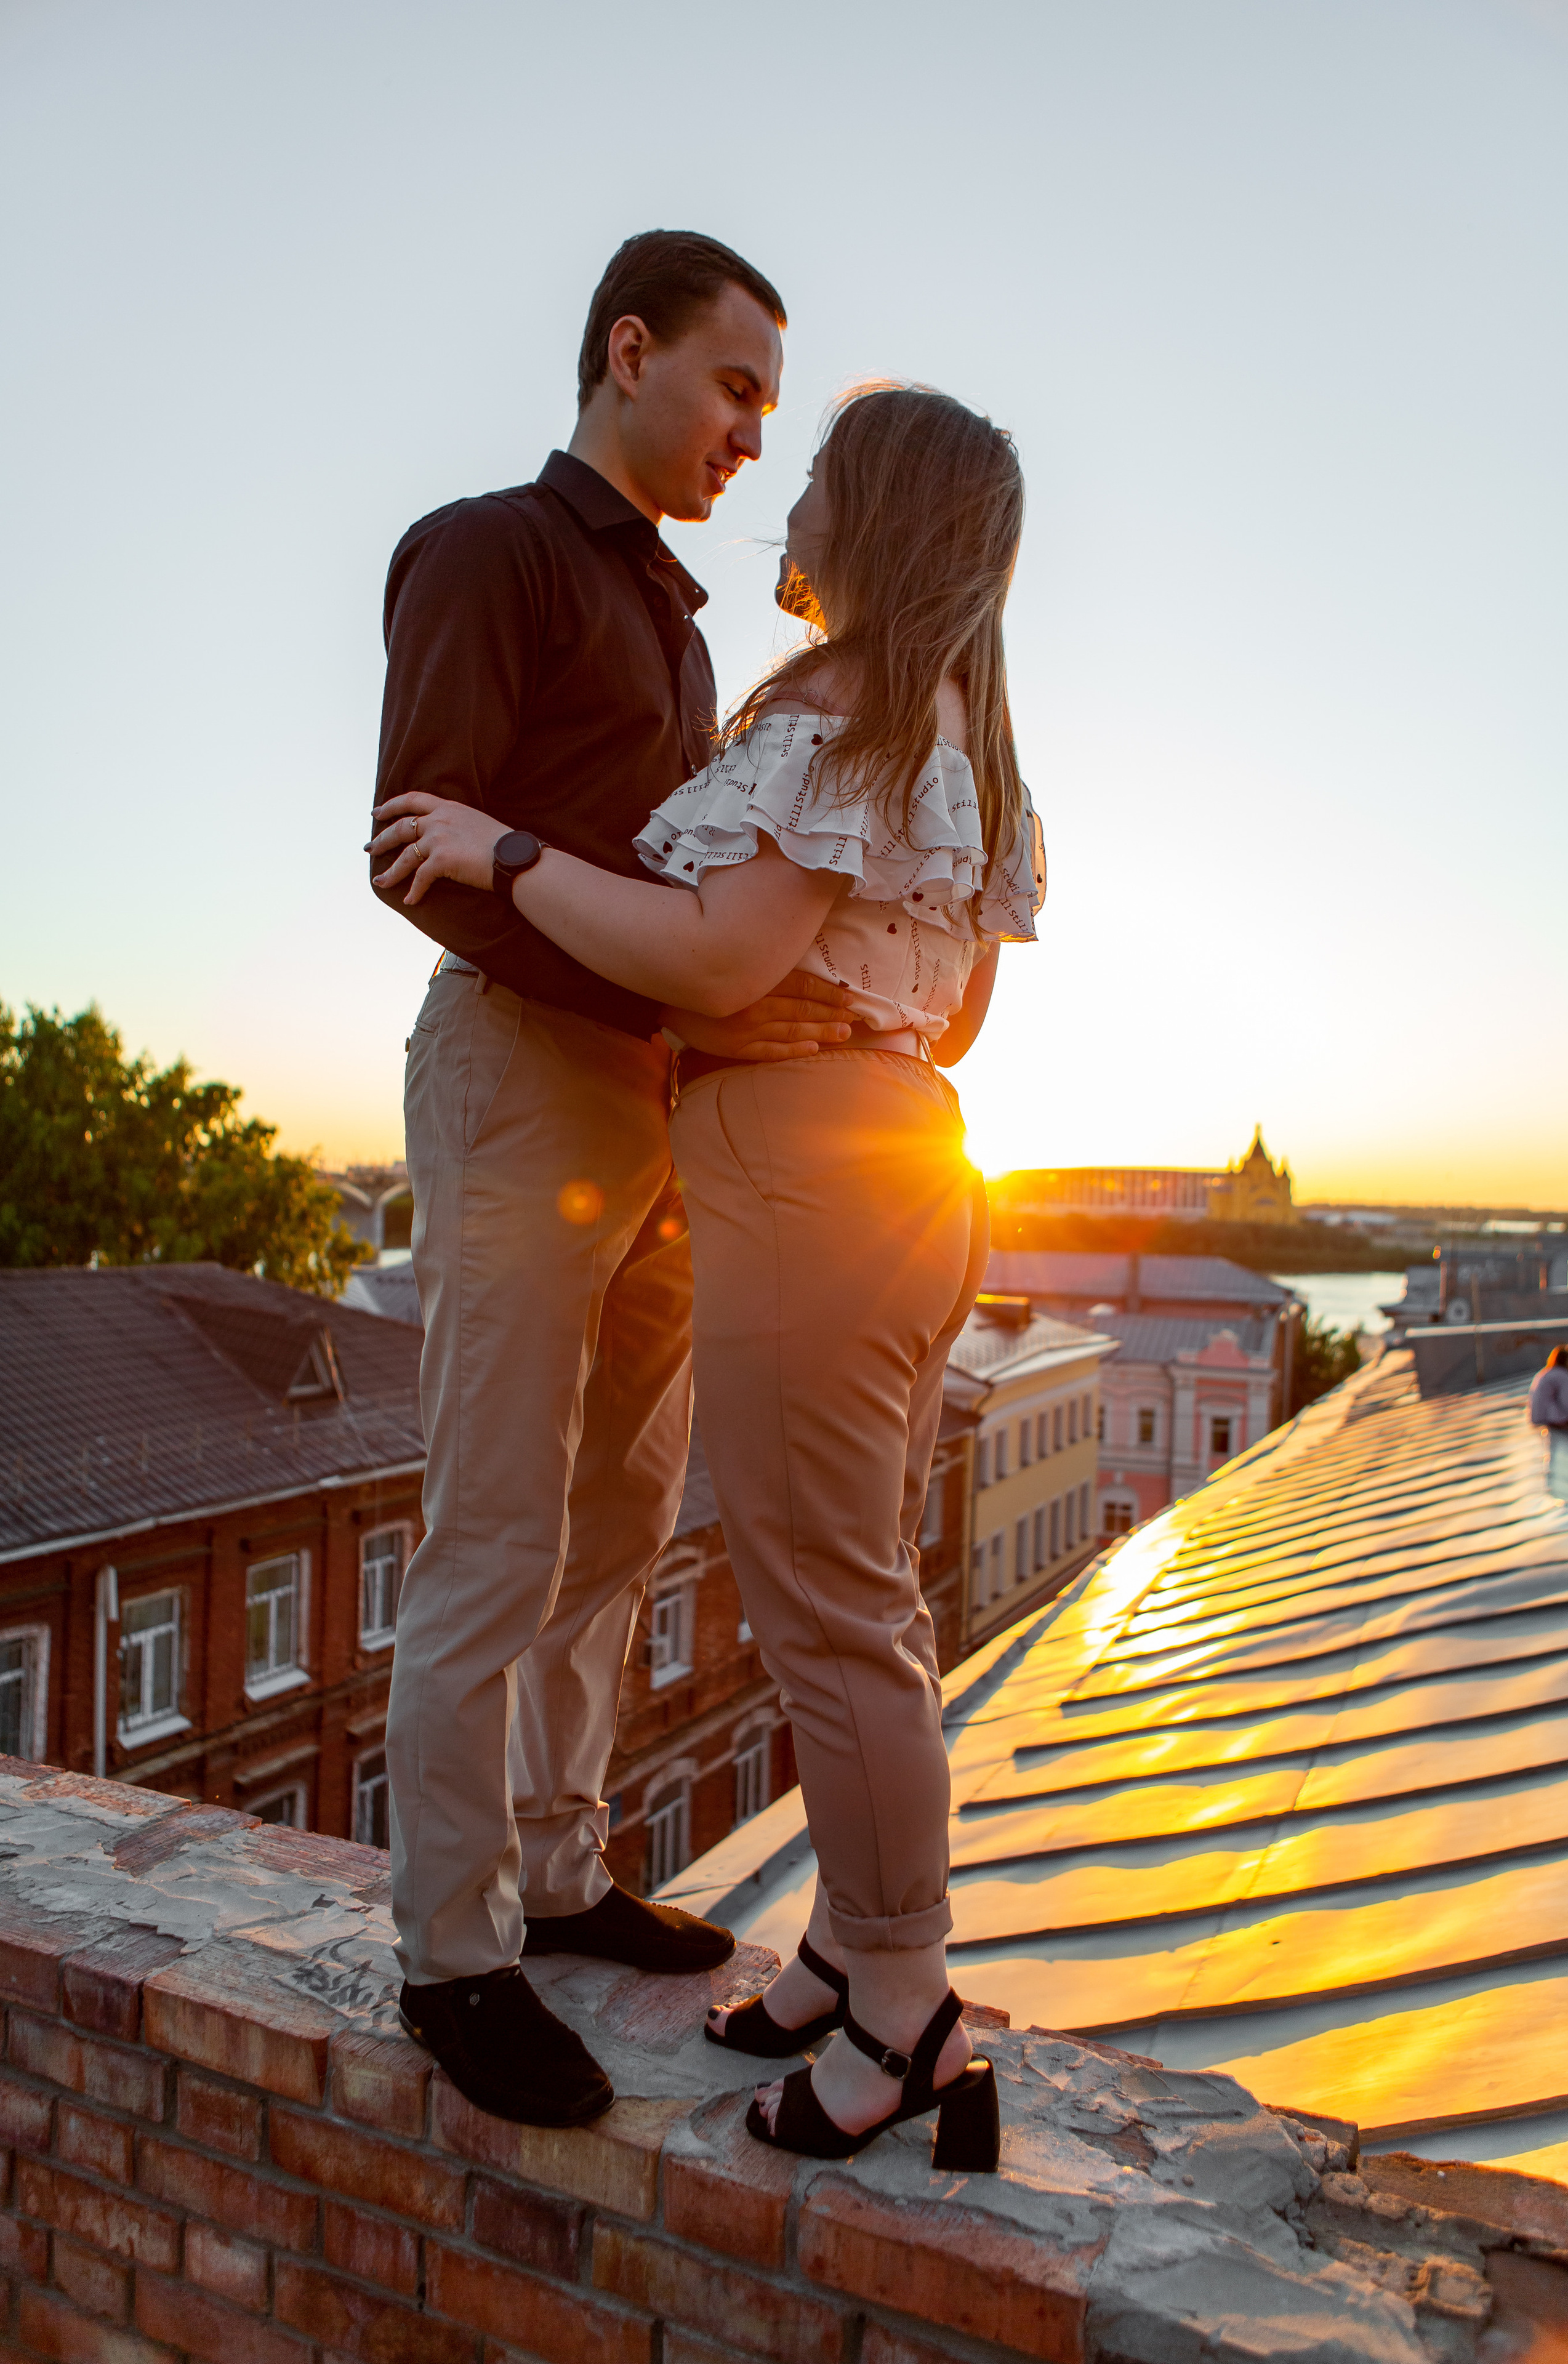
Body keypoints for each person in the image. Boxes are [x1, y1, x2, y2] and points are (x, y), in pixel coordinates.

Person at [371, 382, 1044, 2172]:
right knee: (849, 1585)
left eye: (808, 453)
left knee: (828, 1610)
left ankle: (900, 2000)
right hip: (878, 1166)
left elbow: (721, 951)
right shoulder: (963, 724)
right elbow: (957, 992)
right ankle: (838, 1947)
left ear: (876, 519)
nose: (779, 476)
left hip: (794, 1174)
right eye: (745, 393)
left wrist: (511, 851)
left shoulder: (836, 706)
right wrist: (849, 1004)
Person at [369, 230, 856, 2133]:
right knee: (493, 1523)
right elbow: (419, 842)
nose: (753, 430)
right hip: (519, 1074)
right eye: (737, 384)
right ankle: (451, 1952)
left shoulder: (681, 622)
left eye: (768, 404)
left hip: (658, 1107)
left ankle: (561, 1870)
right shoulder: (481, 546)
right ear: (627, 350)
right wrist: (643, 959)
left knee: (617, 1520)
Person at [1529, 1346, 1568, 1433]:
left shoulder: (1547, 1372)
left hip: (1539, 1419)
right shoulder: (1564, 1376)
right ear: (1567, 1360)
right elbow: (1567, 1405)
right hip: (1552, 1420)